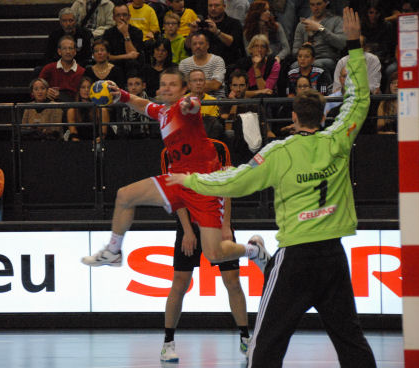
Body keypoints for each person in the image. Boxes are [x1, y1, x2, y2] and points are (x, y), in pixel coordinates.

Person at [165, 8, 377, 367]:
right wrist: (354, 47)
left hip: (295, 258)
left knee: (267, 344)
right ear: (323, 117)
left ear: (293, 118)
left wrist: (190, 180)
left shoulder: (279, 151)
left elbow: (234, 180)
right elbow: (359, 100)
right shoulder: (337, 140)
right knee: (351, 340)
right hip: (332, 257)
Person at [81, 67, 271, 277]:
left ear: (184, 89)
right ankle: (113, 252)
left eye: (172, 85)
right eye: (163, 84)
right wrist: (123, 96)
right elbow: (144, 105)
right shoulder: (163, 112)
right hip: (177, 181)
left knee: (214, 254)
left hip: (203, 185)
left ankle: (254, 250)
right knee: (125, 195)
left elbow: (193, 106)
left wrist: (190, 103)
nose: (167, 88)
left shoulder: (186, 108)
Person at [159, 137, 250, 362]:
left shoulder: (218, 148)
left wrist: (226, 226)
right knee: (180, 281)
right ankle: (168, 344)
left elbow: (227, 186)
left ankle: (246, 340)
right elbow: (175, 194)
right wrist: (188, 231)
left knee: (233, 281)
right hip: (188, 224)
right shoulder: (169, 152)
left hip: (216, 221)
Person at [292, 0, 346, 73]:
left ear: (326, 3)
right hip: (306, 58)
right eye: (312, 5)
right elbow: (295, 51)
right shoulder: (302, 24)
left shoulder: (336, 21)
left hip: (326, 58)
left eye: (319, 4)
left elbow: (341, 44)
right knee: (294, 66)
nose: (315, 8)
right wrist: (304, 49)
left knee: (316, 65)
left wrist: (320, 28)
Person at [187, 0, 245, 68]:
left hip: (229, 65)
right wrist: (192, 32)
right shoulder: (201, 24)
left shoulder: (234, 23)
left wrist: (217, 32)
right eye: (210, 6)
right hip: (203, 66)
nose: (213, 8)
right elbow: (187, 47)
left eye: (216, 5)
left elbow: (234, 43)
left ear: (224, 7)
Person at [179, 32, 226, 98]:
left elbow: (216, 85)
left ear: (208, 45)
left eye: (201, 43)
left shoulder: (217, 60)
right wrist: (209, 84)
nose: (198, 46)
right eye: (194, 44)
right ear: (191, 46)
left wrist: (192, 84)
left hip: (216, 101)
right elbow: (182, 86)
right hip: (191, 102)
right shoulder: (184, 63)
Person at [39, 35, 85, 102]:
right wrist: (45, 92)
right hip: (51, 106)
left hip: (73, 106)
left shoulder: (82, 72)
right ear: (59, 51)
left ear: (75, 51)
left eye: (70, 48)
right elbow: (36, 90)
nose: (68, 52)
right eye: (64, 48)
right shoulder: (48, 69)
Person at [102, 3, 144, 74]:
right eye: (118, 15)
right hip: (113, 66)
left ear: (129, 16)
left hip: (131, 67)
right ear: (113, 18)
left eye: (124, 15)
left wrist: (125, 33)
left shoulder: (137, 32)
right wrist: (126, 56)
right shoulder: (108, 33)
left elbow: (134, 56)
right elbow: (106, 57)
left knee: (132, 64)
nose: (121, 18)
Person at [66, 76, 109, 141]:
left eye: (89, 87)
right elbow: (73, 133)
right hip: (79, 142)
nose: (86, 90)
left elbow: (103, 133)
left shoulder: (101, 109)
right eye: (83, 87)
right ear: (79, 90)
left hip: (99, 142)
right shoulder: (72, 111)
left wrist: (95, 143)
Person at [118, 71, 158, 139]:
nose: (133, 87)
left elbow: (155, 131)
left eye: (137, 84)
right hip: (126, 142)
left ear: (144, 86)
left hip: (149, 141)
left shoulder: (152, 103)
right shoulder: (120, 105)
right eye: (130, 84)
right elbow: (120, 130)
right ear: (127, 87)